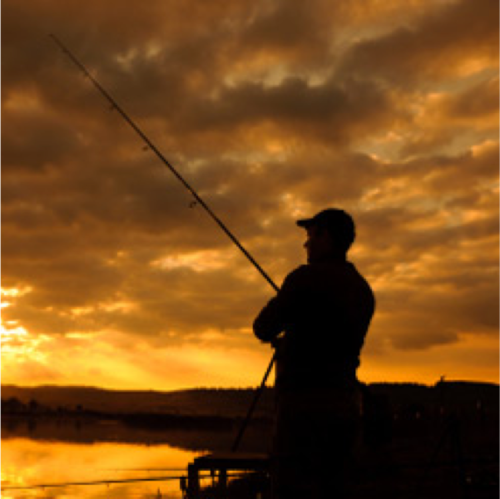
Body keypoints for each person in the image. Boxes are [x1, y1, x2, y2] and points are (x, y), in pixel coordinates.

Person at [253, 208, 375, 499]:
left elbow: (262, 327)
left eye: (311, 236)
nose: (305, 244)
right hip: (345, 404)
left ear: (327, 237)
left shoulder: (302, 279)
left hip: (302, 407)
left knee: (294, 488)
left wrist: (286, 303)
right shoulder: (362, 290)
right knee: (336, 488)